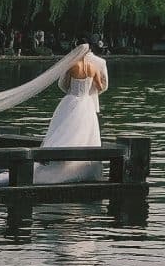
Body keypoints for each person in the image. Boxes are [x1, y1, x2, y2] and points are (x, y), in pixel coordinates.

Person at [33, 50, 109, 185]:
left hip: (71, 99)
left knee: (64, 128)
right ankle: (79, 165)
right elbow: (100, 86)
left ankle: (57, 159)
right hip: (86, 102)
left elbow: (65, 85)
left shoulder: (73, 66)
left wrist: (73, 90)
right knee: (84, 131)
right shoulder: (93, 67)